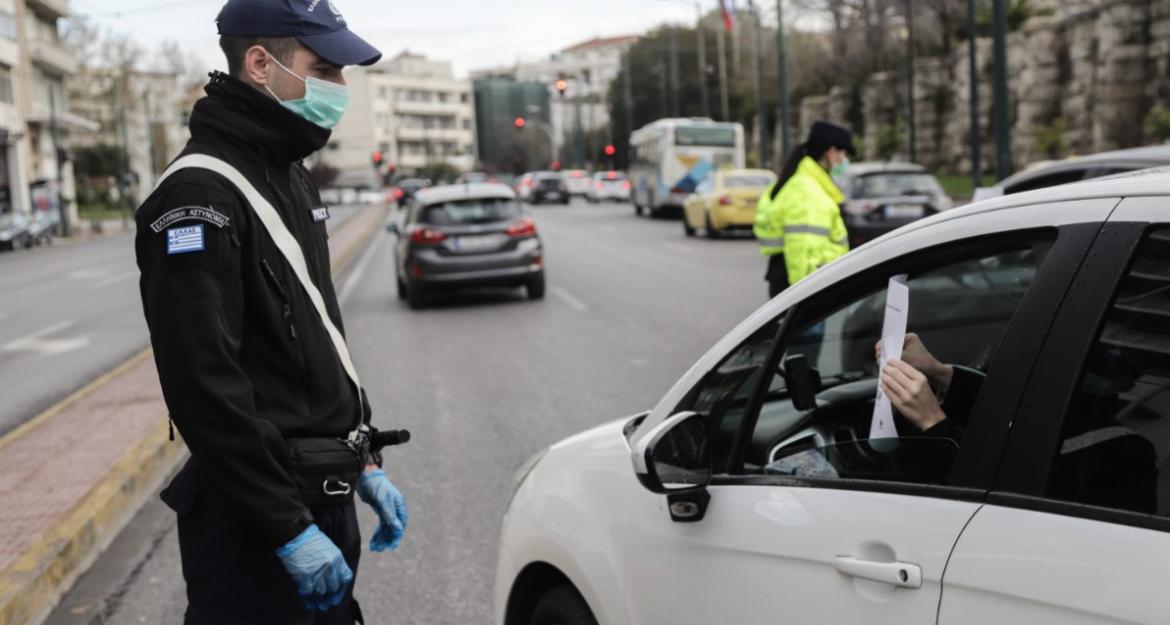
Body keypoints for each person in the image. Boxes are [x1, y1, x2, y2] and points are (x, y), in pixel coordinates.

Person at [134, 1, 406, 623]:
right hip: (258, 523)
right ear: (260, 64)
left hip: (318, 492)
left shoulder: (287, 172)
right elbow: (204, 384)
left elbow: (311, 339)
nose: (339, 87)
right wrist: (287, 528)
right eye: (325, 68)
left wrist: (361, 455)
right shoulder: (198, 197)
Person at [754, 121, 855, 298]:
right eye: (844, 154)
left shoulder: (805, 182)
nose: (845, 161)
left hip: (790, 279)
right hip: (806, 289)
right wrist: (805, 298)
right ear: (832, 152)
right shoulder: (806, 191)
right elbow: (801, 251)